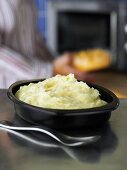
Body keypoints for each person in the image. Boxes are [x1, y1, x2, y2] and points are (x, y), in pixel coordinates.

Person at [0, 0, 86, 89]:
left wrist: (56, 63)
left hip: (28, 88)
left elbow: (33, 40)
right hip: (4, 90)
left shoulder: (28, 2)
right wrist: (50, 69)